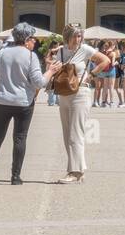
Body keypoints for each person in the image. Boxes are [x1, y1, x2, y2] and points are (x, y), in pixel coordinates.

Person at [0, 23, 45, 186]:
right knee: (20, 138)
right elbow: (39, 82)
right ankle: (15, 177)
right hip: (24, 102)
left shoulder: (3, 53)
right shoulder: (30, 56)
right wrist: (51, 72)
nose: (35, 42)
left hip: (2, 101)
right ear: (27, 39)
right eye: (33, 39)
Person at [47, 23, 110, 183]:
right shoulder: (60, 51)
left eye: (80, 35)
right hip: (63, 93)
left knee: (76, 133)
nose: (78, 38)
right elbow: (50, 64)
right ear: (67, 36)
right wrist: (50, 60)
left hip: (81, 92)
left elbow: (105, 60)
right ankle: (79, 170)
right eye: (75, 35)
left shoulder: (85, 50)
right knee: (67, 134)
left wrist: (92, 75)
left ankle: (74, 172)